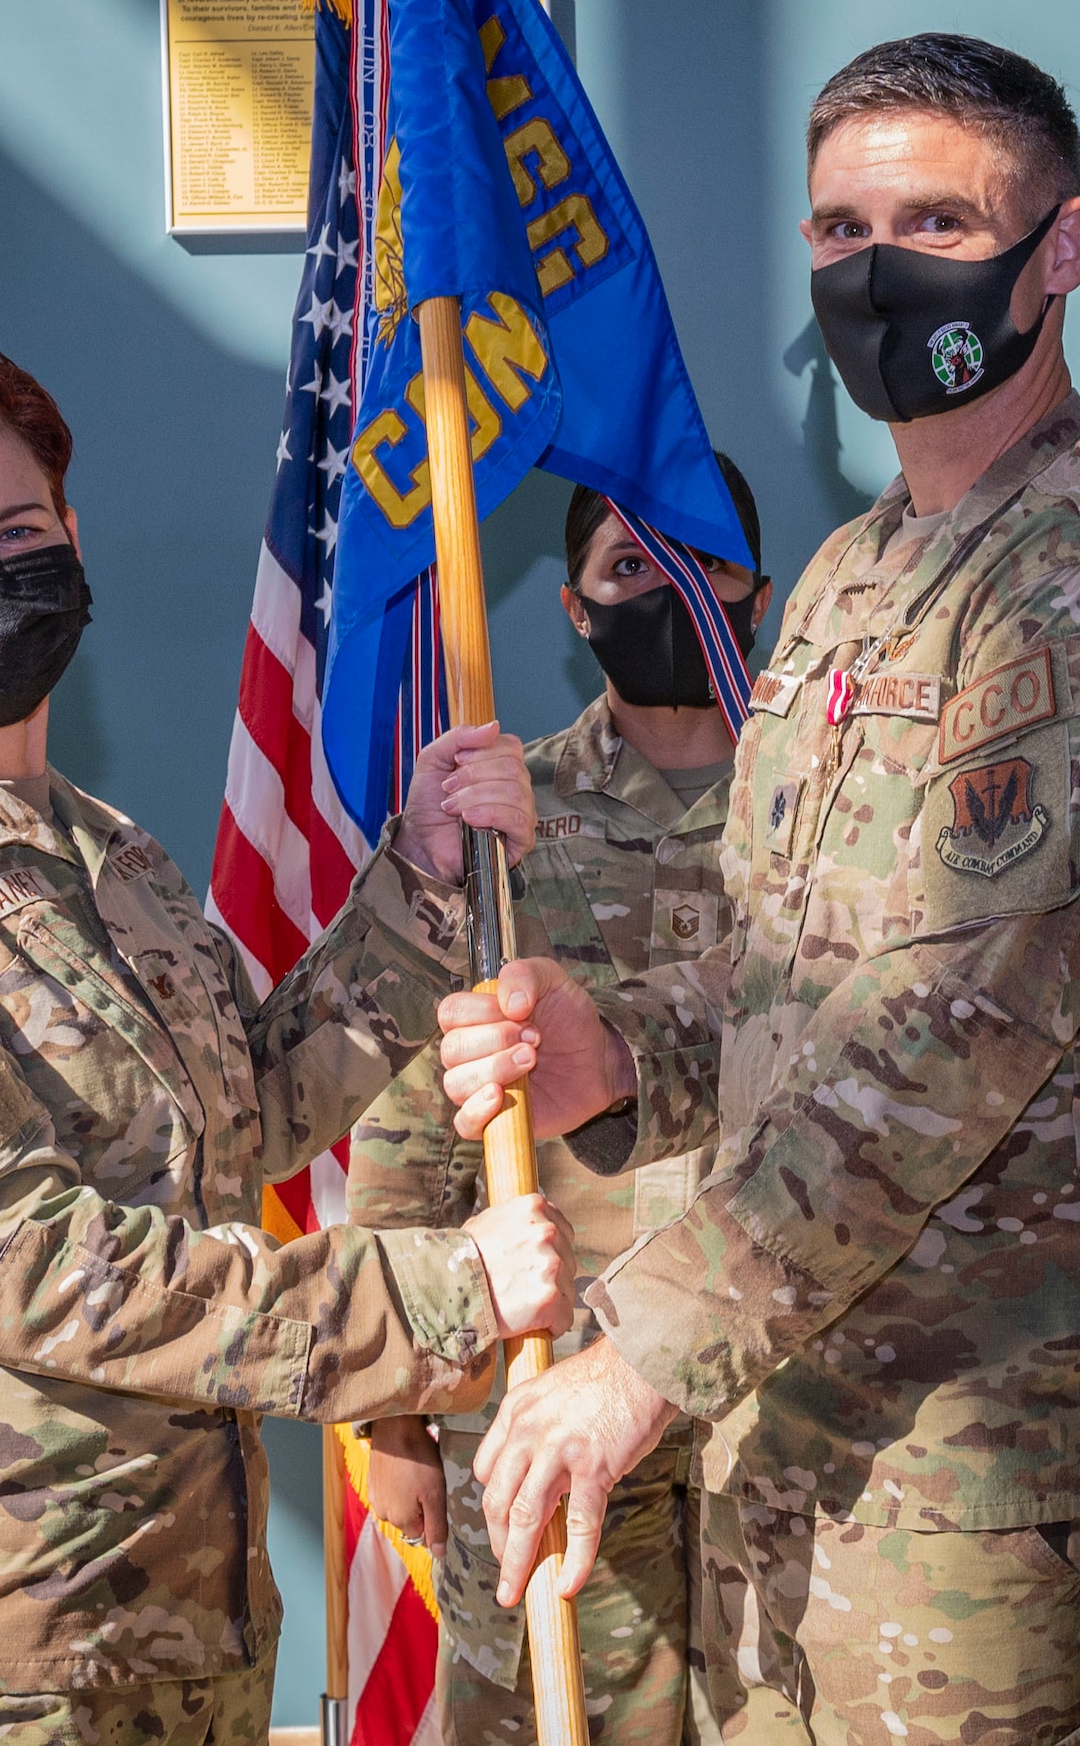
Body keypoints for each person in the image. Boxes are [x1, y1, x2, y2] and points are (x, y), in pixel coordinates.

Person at [435, 36, 1080, 1746]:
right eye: (839, 231)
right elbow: (792, 966)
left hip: (989, 1504)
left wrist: (639, 1360)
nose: (879, 271)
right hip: (796, 1469)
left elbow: (946, 1044)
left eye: (936, 221)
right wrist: (637, 1048)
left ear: (1064, 248)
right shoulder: (852, 577)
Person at [0, 339, 577, 1746]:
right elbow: (25, 1266)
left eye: (17, 531)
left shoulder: (105, 858)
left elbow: (257, 1115)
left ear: (71, 537)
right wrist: (434, 1300)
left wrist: (417, 879)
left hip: (177, 1642)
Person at [349, 457, 772, 1746]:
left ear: (753, 590)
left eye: (697, 558)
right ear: (576, 608)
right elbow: (407, 1123)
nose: (669, 589)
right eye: (627, 567)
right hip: (554, 1394)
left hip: (783, 1407)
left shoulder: (822, 816)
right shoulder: (497, 825)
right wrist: (396, 1416)